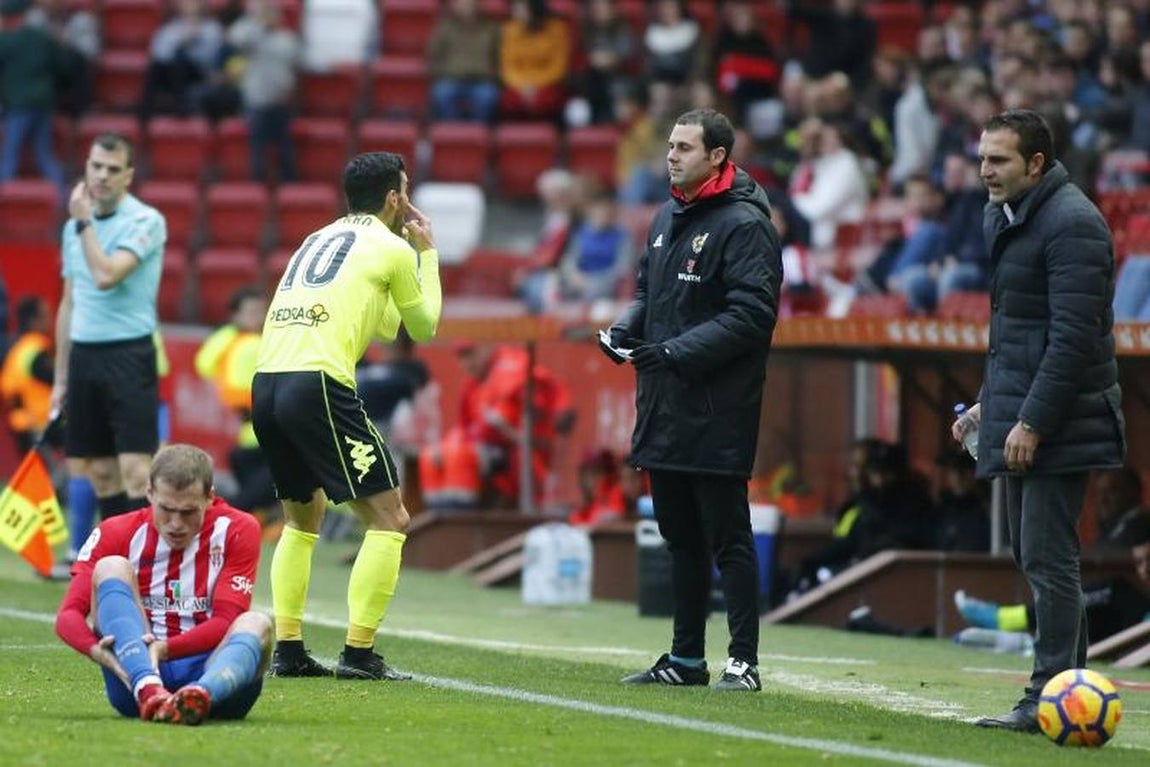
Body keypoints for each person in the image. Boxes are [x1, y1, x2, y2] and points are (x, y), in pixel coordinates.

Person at [952, 109, 1125, 733]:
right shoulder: (1005, 215)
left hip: (1059, 419)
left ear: (1035, 163)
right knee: (1035, 554)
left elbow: (1073, 338)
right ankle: (1067, 693)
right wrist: (986, 403)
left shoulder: (1074, 223)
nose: (984, 172)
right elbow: (1015, 333)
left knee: (1050, 558)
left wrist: (1031, 420)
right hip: (1024, 410)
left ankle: (1044, 696)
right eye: (981, 158)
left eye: (998, 161)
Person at [603, 108, 782, 692]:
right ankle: (684, 660)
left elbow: (752, 316)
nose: (671, 155)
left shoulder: (745, 224)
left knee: (728, 533)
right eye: (670, 145)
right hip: (662, 398)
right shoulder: (666, 215)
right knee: (678, 534)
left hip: (716, 405)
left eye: (684, 147)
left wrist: (676, 352)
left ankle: (744, 661)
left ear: (717, 157)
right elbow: (649, 292)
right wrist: (627, 329)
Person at [252, 151, 441, 680]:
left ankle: (288, 649)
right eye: (404, 189)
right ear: (393, 197)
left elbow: (381, 326)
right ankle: (359, 654)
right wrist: (426, 255)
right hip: (317, 384)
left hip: (267, 384)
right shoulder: (392, 248)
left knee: (301, 519)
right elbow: (422, 328)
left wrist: (403, 261)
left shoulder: (317, 238)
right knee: (390, 519)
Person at [54, 444, 270, 725]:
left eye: (188, 511)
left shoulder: (239, 529)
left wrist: (165, 647)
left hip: (214, 670)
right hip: (135, 672)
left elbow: (226, 619)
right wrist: (100, 653)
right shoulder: (116, 531)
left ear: (209, 498)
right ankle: (148, 687)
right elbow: (67, 616)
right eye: (166, 509)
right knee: (111, 566)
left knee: (258, 622)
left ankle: (199, 695)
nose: (176, 524)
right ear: (149, 494)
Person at [51, 132, 166, 522]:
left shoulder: (146, 220)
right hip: (85, 355)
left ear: (128, 175)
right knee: (100, 473)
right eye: (96, 166)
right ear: (86, 166)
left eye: (113, 169)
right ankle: (118, 563)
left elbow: (107, 275)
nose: (102, 176)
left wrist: (84, 225)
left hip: (128, 354)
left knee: (136, 470)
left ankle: (146, 565)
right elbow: (70, 301)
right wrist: (61, 380)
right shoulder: (72, 230)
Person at [195, 285, 274, 516]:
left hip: (271, 425)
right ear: (235, 316)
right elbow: (204, 364)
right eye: (250, 311)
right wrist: (231, 333)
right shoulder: (234, 341)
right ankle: (245, 513)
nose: (256, 317)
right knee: (243, 463)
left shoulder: (268, 338)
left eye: (260, 311)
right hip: (250, 427)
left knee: (258, 481)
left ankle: (232, 512)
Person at [0, 0, 70, 199]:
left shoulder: (5, 40)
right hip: (43, 102)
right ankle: (65, 204)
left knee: (9, 157)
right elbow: (62, 66)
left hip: (19, 104)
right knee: (44, 156)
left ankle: (4, 209)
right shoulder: (42, 37)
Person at [1, 295, 54, 454]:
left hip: (20, 424)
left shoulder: (17, 350)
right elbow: (60, 381)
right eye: (46, 315)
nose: (51, 320)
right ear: (33, 321)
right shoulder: (35, 351)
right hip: (41, 425)